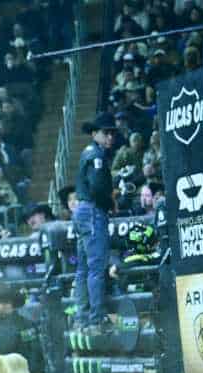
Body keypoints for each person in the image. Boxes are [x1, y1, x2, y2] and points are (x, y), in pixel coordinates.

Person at [74, 113, 117, 334]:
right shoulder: (96, 156)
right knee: (96, 268)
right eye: (105, 132)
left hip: (82, 211)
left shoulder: (88, 153)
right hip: (92, 211)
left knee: (83, 269)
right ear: (94, 134)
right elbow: (98, 187)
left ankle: (81, 318)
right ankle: (96, 319)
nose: (110, 136)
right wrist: (110, 202)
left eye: (112, 133)